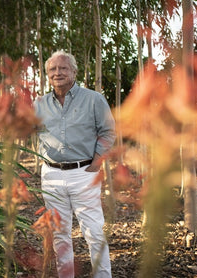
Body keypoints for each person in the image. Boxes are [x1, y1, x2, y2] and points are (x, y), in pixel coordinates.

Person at [34, 50, 115, 278]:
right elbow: (18, 125)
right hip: (51, 175)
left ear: (74, 72)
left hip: (84, 173)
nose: (57, 73)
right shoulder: (38, 104)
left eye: (63, 68)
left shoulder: (93, 99)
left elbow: (108, 131)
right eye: (52, 69)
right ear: (47, 75)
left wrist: (97, 162)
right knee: (59, 234)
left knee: (94, 232)